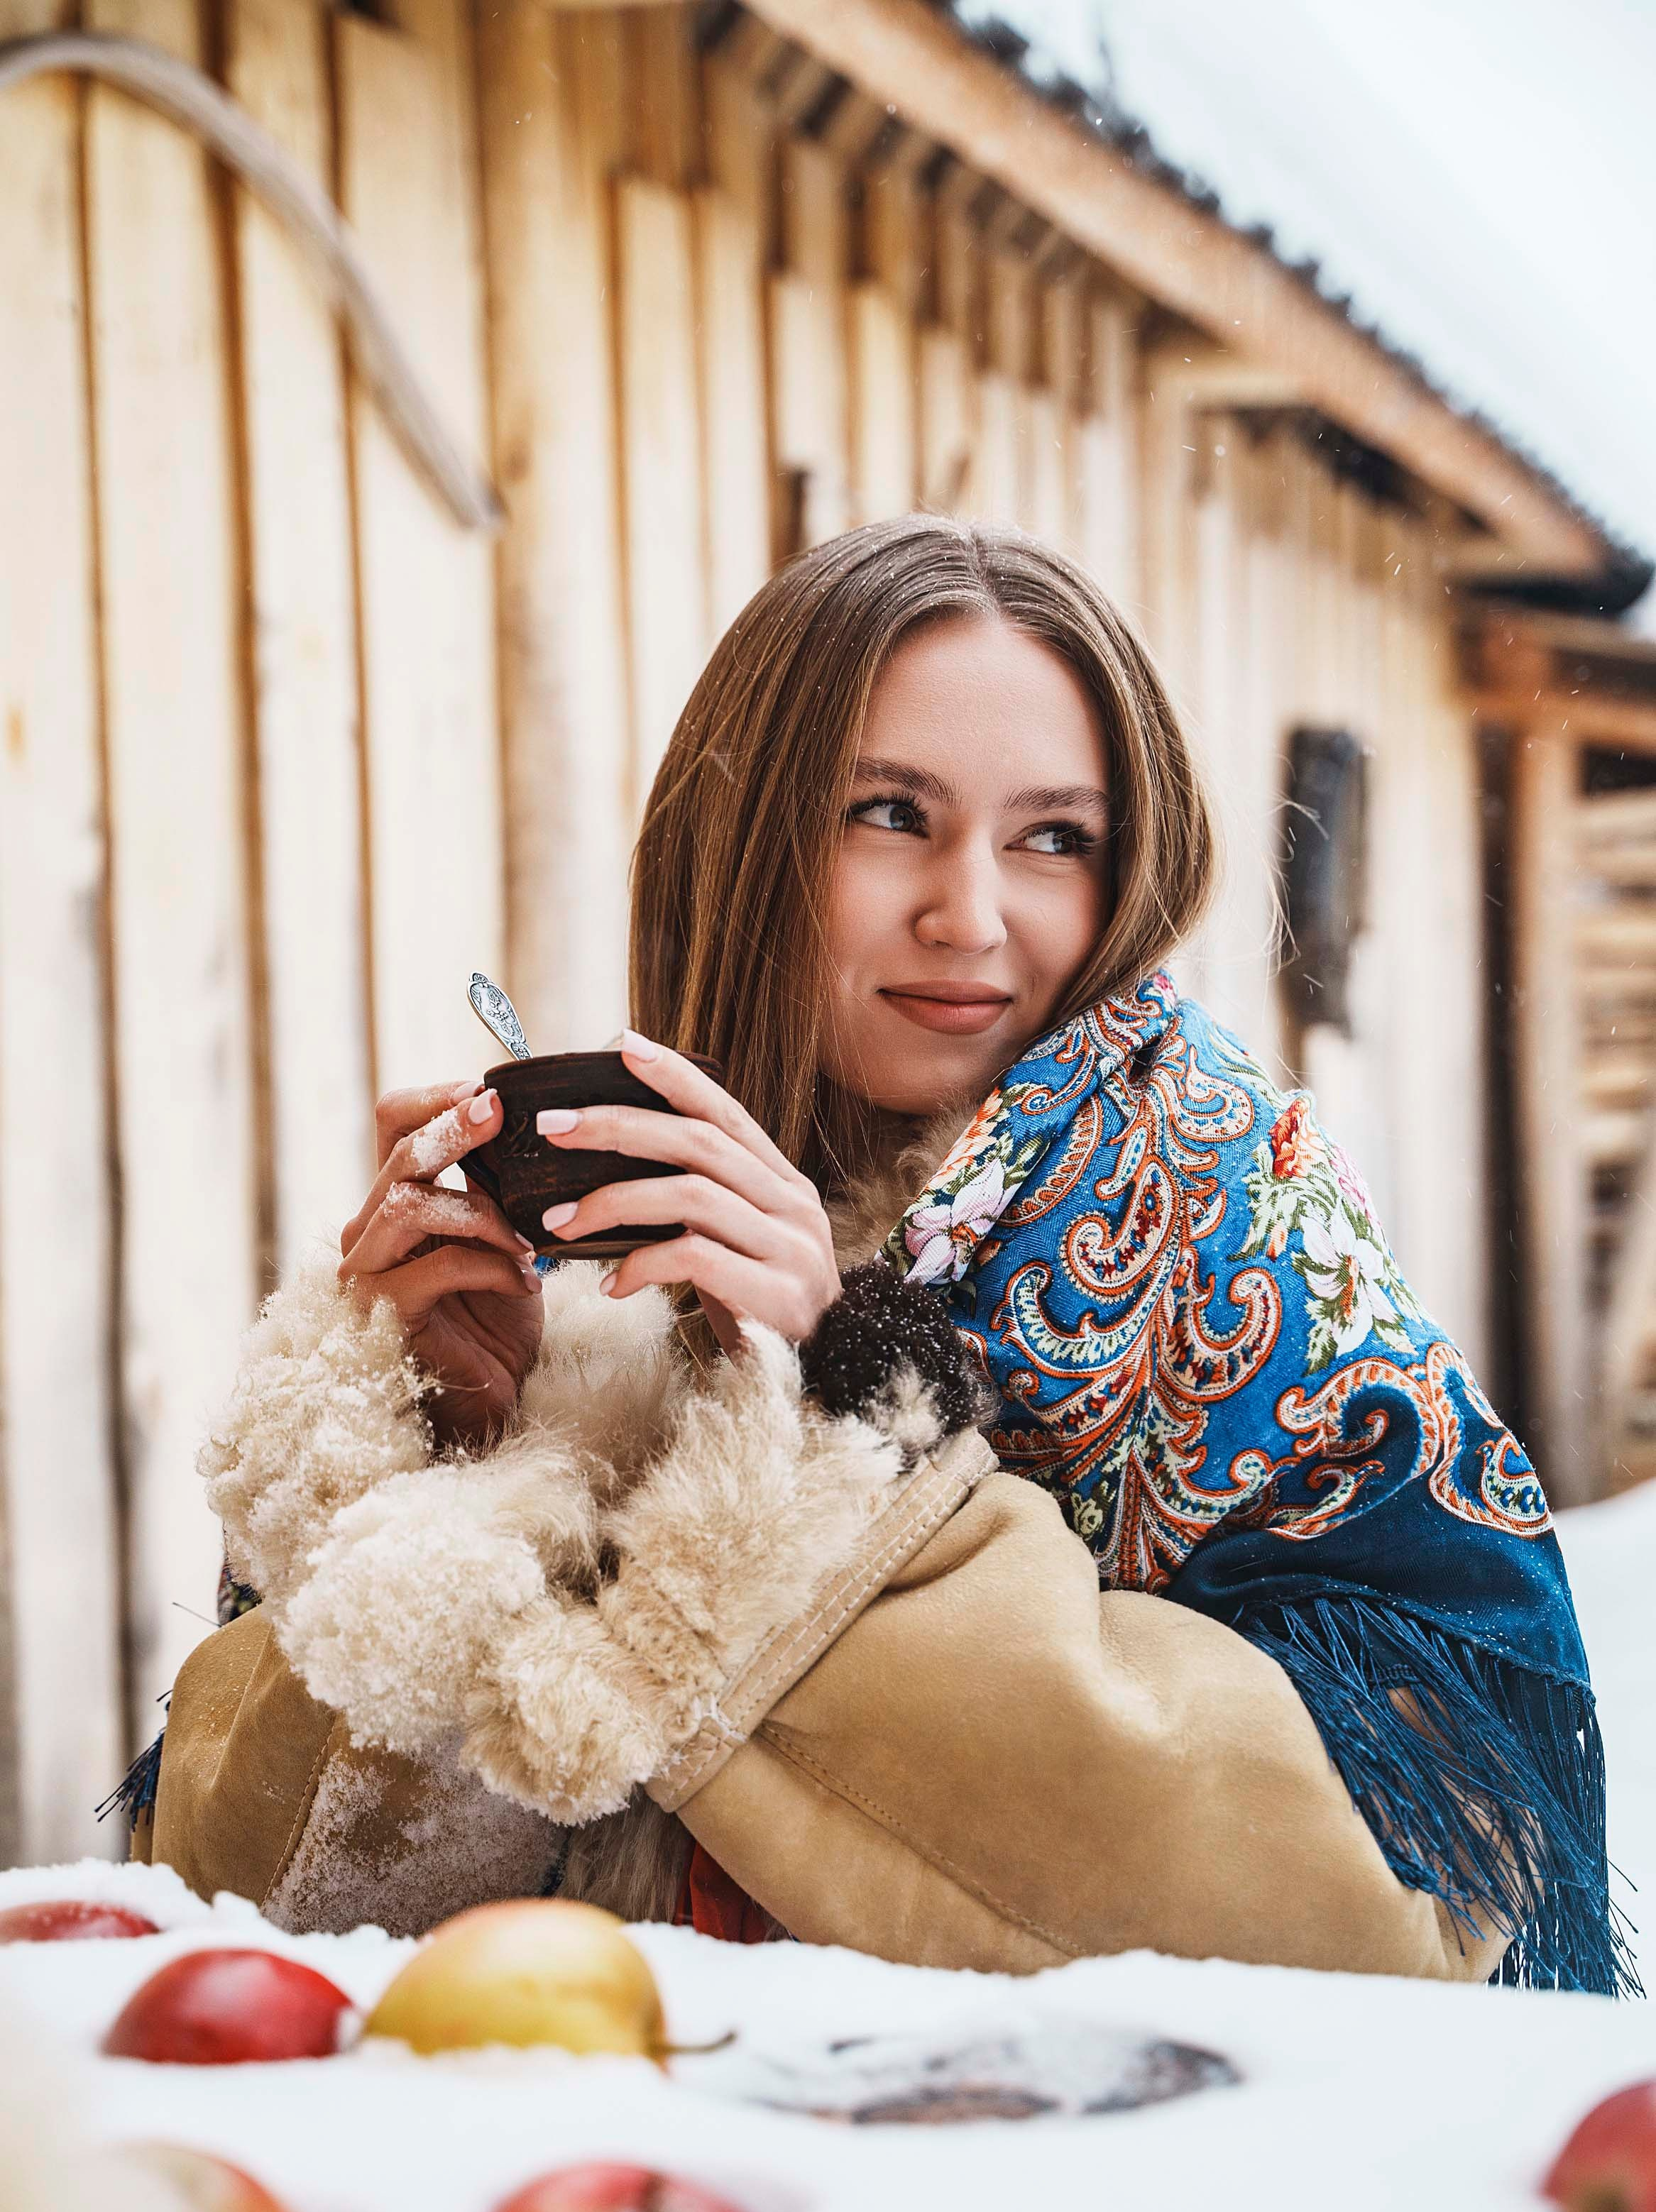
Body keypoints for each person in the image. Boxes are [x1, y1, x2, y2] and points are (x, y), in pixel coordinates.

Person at [133, 517, 1626, 1993]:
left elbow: (1403, 1902)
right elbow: (270, 1925)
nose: (969, 916)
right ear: (744, 834)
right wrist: (466, 1451)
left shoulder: (1220, 1206)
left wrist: (845, 1417)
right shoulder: (590, 1244)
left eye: (1055, 838)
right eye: (889, 814)